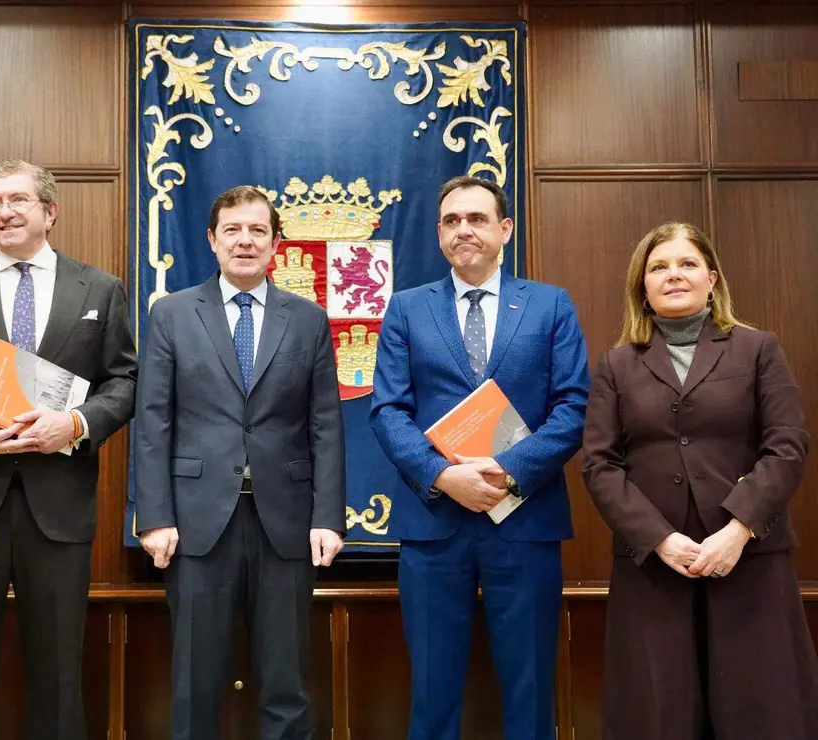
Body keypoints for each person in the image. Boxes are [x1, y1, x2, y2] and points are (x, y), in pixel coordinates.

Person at [0, 159, 137, 740]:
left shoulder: (102, 289)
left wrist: (78, 424)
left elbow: (125, 382)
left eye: (17, 200)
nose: (4, 212)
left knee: (60, 667)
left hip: (59, 505)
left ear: (49, 211)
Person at [369, 175, 590, 740]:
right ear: (439, 233)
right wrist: (444, 475)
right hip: (434, 525)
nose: (463, 230)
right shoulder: (406, 308)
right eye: (451, 221)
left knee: (530, 685)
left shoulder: (549, 304)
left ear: (504, 229)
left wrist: (506, 472)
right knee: (433, 689)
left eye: (476, 218)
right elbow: (388, 411)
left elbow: (572, 407)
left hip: (525, 519)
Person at [581, 222, 818, 739]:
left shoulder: (758, 349)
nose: (674, 275)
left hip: (748, 556)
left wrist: (739, 530)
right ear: (641, 287)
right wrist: (659, 538)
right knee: (659, 710)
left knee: (758, 707)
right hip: (655, 565)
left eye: (687, 264)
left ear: (712, 278)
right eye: (659, 267)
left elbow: (787, 444)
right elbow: (599, 463)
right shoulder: (617, 364)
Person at [134, 185, 346, 740]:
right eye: (233, 230)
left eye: (257, 230)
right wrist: (153, 516)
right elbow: (152, 420)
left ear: (277, 243)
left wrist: (328, 517)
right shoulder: (172, 314)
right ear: (212, 239)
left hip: (287, 523)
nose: (245, 241)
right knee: (194, 681)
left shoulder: (308, 319)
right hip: (197, 524)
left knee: (286, 681)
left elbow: (326, 424)